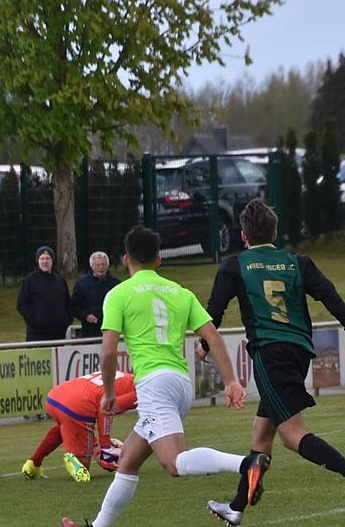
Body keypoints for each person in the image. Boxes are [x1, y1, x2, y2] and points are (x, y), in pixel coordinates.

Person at [62, 225, 264, 527]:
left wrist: (109, 393)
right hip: (180, 384)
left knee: (173, 463)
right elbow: (213, 337)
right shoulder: (181, 292)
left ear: (126, 260)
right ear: (159, 259)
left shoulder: (118, 294)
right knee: (128, 461)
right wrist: (231, 381)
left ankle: (246, 464)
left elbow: (108, 352)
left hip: (154, 385)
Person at [199, 199, 345, 525]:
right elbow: (329, 294)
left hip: (270, 353)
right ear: (274, 232)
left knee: (291, 435)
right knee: (261, 435)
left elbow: (214, 310)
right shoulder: (297, 262)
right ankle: (236, 508)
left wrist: (203, 344)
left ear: (243, 235)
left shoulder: (235, 266)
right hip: (299, 351)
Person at [21, 371, 137, 482]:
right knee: (83, 470)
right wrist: (105, 446)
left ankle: (33, 464)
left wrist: (95, 444)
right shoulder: (139, 393)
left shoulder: (127, 378)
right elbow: (106, 409)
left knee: (67, 425)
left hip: (55, 397)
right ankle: (73, 460)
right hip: (77, 406)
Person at [16, 245, 72, 341]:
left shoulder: (60, 281)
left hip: (58, 333)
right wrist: (33, 320)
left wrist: (67, 320)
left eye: (48, 258)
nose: (45, 261)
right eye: (42, 259)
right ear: (38, 261)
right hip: (37, 334)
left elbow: (68, 303)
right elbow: (21, 304)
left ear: (52, 260)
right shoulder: (29, 280)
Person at [71, 251, 120, 338]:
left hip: (112, 329)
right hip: (90, 331)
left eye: (103, 264)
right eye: (98, 265)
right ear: (92, 266)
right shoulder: (81, 284)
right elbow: (74, 307)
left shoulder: (116, 284)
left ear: (108, 265)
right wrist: (86, 315)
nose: (101, 267)